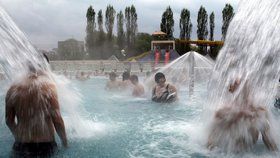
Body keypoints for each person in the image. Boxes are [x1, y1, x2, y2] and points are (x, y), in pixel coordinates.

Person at [5, 64, 68, 157]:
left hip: (21, 145)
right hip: (45, 145)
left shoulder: (13, 89)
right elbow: (57, 120)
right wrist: (64, 142)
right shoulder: (48, 88)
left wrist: (18, 136)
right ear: (44, 68)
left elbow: (9, 120)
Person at [207, 79, 278, 152]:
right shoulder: (223, 112)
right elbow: (211, 142)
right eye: (242, 89)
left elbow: (269, 142)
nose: (245, 92)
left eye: (245, 88)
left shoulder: (259, 112)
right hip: (229, 151)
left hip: (242, 152)